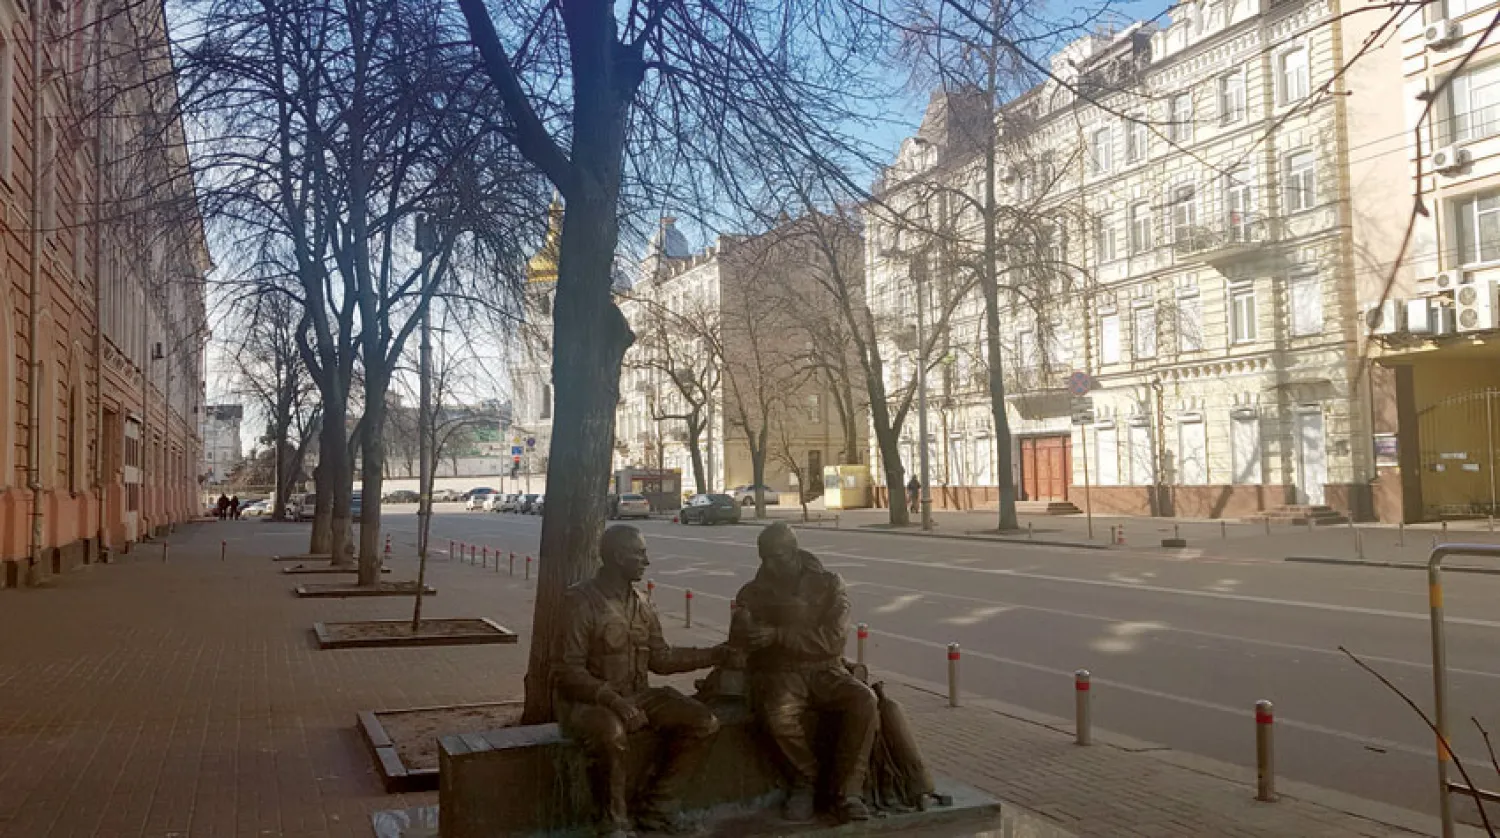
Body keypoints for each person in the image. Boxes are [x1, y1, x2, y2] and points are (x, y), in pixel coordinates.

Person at [553, 525, 734, 837]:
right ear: (617, 556)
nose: (646, 561)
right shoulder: (581, 601)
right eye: (639, 553)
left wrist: (714, 655)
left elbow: (661, 659)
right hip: (587, 703)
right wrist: (615, 702)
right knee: (611, 733)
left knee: (703, 722)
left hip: (637, 696)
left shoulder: (644, 603)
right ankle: (614, 823)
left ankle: (658, 807)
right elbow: (567, 671)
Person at [731, 522, 878, 824]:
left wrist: (778, 635)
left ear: (795, 552)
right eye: (764, 558)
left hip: (827, 670)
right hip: (782, 673)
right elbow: (737, 645)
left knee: (864, 701)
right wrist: (743, 632)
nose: (769, 565)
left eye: (777, 557)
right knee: (777, 715)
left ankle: (847, 793)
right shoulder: (752, 592)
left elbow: (833, 640)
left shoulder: (828, 584)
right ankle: (806, 780)